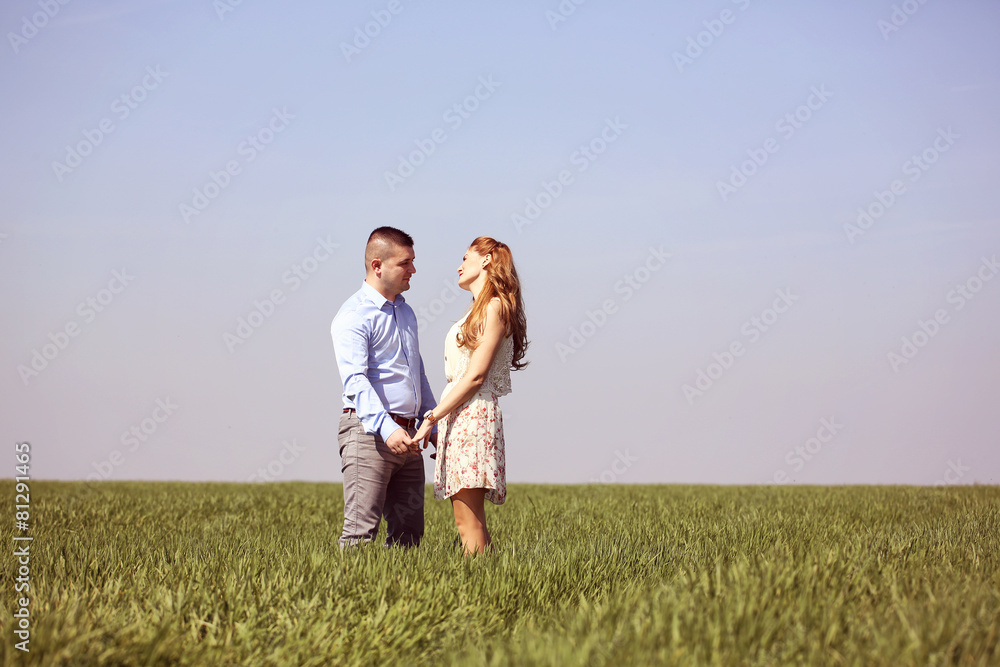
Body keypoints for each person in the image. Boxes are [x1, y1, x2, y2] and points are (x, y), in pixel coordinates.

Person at [412, 237, 528, 555]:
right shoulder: (479, 309)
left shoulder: (494, 307)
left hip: (473, 413)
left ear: (487, 260)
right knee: (466, 520)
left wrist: (432, 417)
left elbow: (475, 376)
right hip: (461, 415)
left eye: (466, 258)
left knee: (469, 522)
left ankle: (480, 590)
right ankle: (484, 585)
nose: (459, 266)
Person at [330, 226, 437, 548]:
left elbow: (417, 373)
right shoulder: (353, 315)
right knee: (360, 535)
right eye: (405, 263)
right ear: (377, 266)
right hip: (369, 433)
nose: (413, 270)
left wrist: (432, 424)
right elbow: (355, 381)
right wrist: (388, 429)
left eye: (413, 262)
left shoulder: (406, 311)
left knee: (409, 535)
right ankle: (346, 598)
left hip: (408, 438)